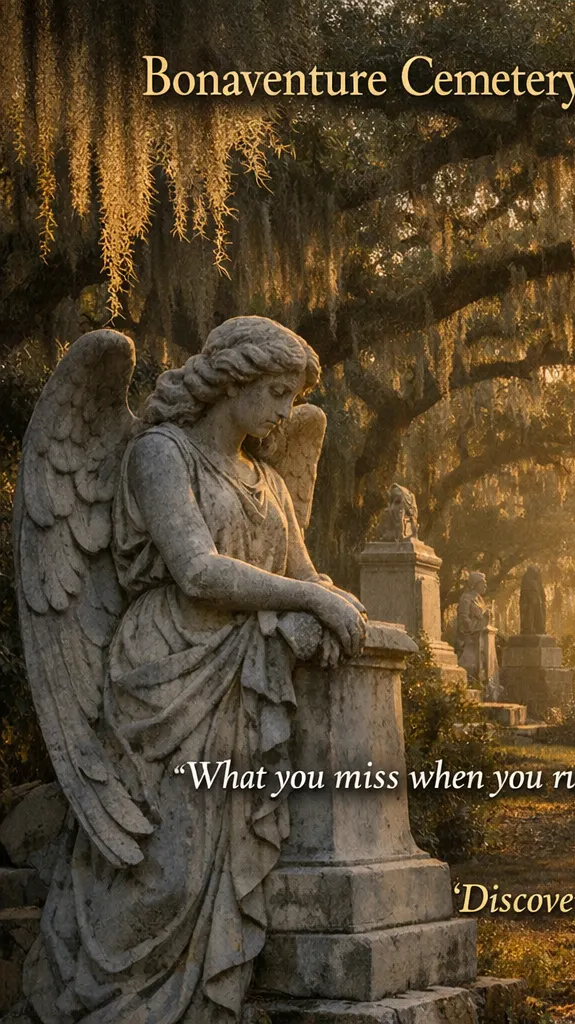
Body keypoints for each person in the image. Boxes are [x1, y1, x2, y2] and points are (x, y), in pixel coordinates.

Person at [20, 317, 367, 1023]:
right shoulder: (159, 454)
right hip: (165, 679)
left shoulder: (267, 478)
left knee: (218, 860)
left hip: (238, 682)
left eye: (292, 398)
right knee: (161, 871)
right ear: (231, 380)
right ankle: (102, 1005)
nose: (283, 413)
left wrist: (328, 600)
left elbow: (305, 572)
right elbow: (198, 571)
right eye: (275, 392)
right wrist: (310, 599)